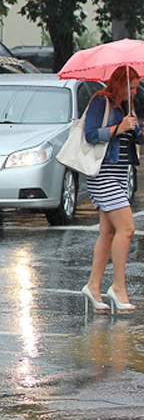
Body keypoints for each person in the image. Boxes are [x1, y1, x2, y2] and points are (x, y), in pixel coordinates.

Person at [82, 66, 140, 314]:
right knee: (127, 228)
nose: (135, 92)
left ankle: (93, 286)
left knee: (107, 232)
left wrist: (135, 127)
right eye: (132, 87)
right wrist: (120, 127)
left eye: (137, 87)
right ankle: (118, 287)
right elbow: (91, 134)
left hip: (119, 173)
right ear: (119, 83)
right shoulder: (100, 101)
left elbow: (133, 138)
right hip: (101, 172)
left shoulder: (128, 107)